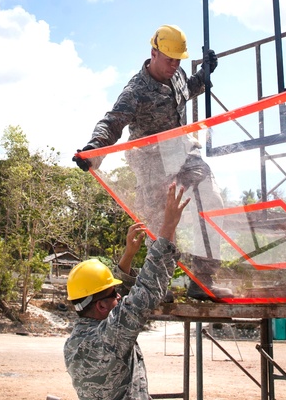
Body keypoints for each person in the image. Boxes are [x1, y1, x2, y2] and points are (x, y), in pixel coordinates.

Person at [73, 24, 230, 300]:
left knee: (211, 199)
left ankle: (203, 280)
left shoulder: (177, 73)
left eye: (177, 60)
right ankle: (158, 287)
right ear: (153, 53)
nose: (173, 65)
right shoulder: (135, 90)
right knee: (161, 225)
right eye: (169, 59)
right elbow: (112, 123)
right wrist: (94, 148)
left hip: (182, 152)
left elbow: (186, 89)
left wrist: (204, 75)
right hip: (152, 163)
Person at [64, 182, 188, 400]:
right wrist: (168, 226)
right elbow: (146, 291)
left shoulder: (76, 341)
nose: (120, 296)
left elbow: (125, 305)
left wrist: (129, 255)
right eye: (114, 294)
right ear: (101, 306)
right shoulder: (109, 338)